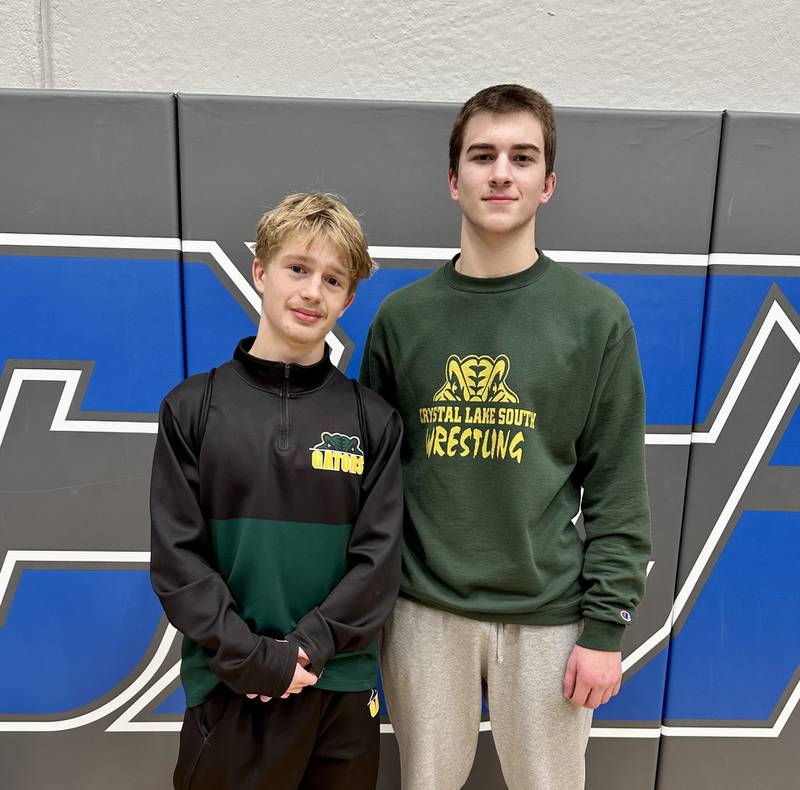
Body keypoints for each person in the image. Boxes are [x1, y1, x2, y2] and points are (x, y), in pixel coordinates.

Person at [360, 84, 652, 789]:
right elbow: (366, 487)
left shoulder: (595, 319)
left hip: (548, 616)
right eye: (482, 155)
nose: (501, 172)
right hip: (423, 610)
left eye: (522, 157)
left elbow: (616, 488)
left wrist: (605, 628)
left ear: (547, 183)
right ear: (452, 178)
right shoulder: (402, 321)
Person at [150, 192, 403, 790]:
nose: (313, 292)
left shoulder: (373, 420)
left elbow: (379, 563)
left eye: (333, 279)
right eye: (298, 269)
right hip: (230, 686)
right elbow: (178, 562)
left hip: (336, 691)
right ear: (260, 272)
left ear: (349, 297)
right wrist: (251, 656)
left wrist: (307, 649)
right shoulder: (193, 408)